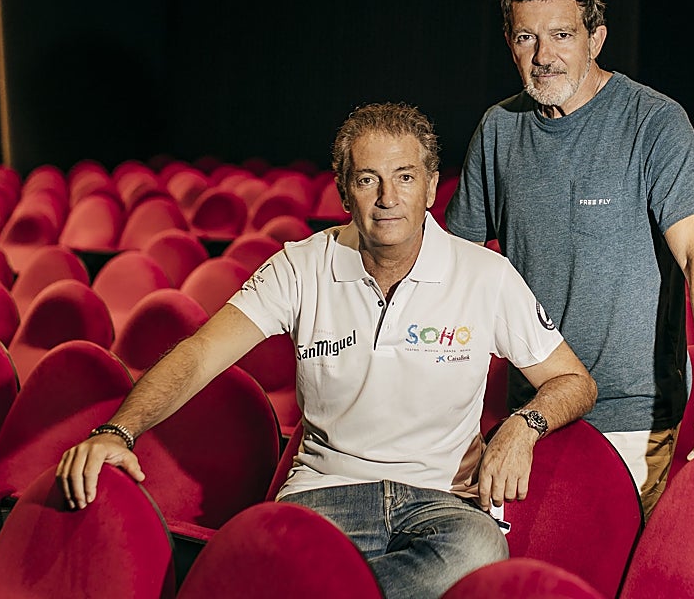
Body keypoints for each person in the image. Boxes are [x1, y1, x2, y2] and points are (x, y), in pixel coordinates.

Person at [58, 102, 596, 599]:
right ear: (344, 192)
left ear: (432, 186)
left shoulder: (485, 275)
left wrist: (524, 425)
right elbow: (200, 353)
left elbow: (575, 381)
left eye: (404, 177)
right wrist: (116, 430)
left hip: (444, 502)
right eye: (368, 180)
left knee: (478, 554)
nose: (388, 198)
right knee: (266, 554)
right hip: (323, 494)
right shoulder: (300, 267)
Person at [446, 0, 694, 514]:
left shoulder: (653, 122)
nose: (544, 55)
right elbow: (458, 270)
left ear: (595, 39)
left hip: (633, 417)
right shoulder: (498, 128)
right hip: (532, 413)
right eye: (527, 37)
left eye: (561, 35)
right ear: (510, 43)